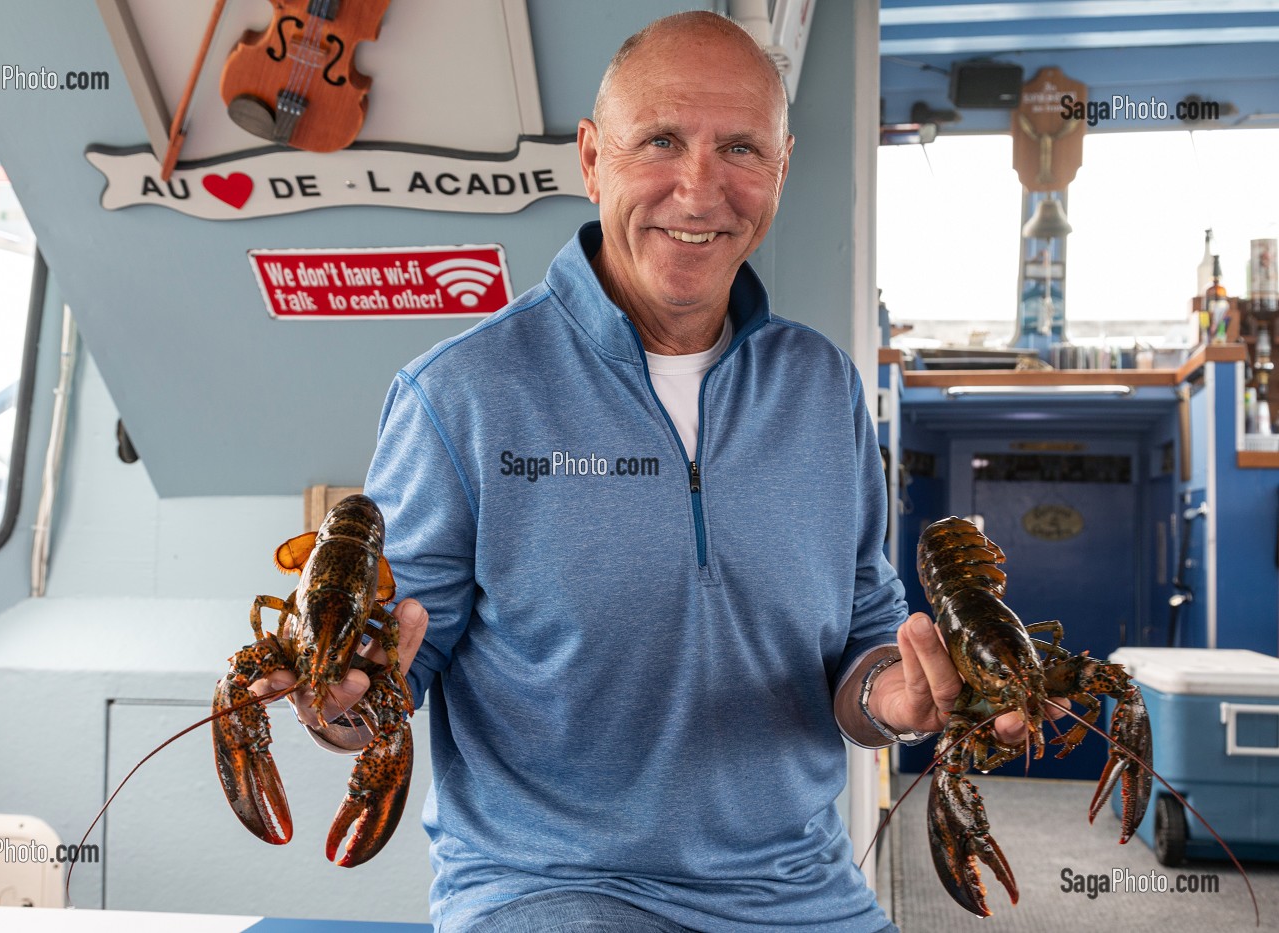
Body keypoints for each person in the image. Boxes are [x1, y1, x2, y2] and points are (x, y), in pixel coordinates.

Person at [257, 11, 1049, 931]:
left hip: (800, 890)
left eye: (741, 148)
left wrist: (896, 697)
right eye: (662, 140)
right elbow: (391, 675)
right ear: (591, 158)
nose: (699, 188)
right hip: (553, 889)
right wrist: (337, 707)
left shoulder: (824, 385)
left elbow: (860, 648)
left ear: (782, 168)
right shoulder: (460, 392)